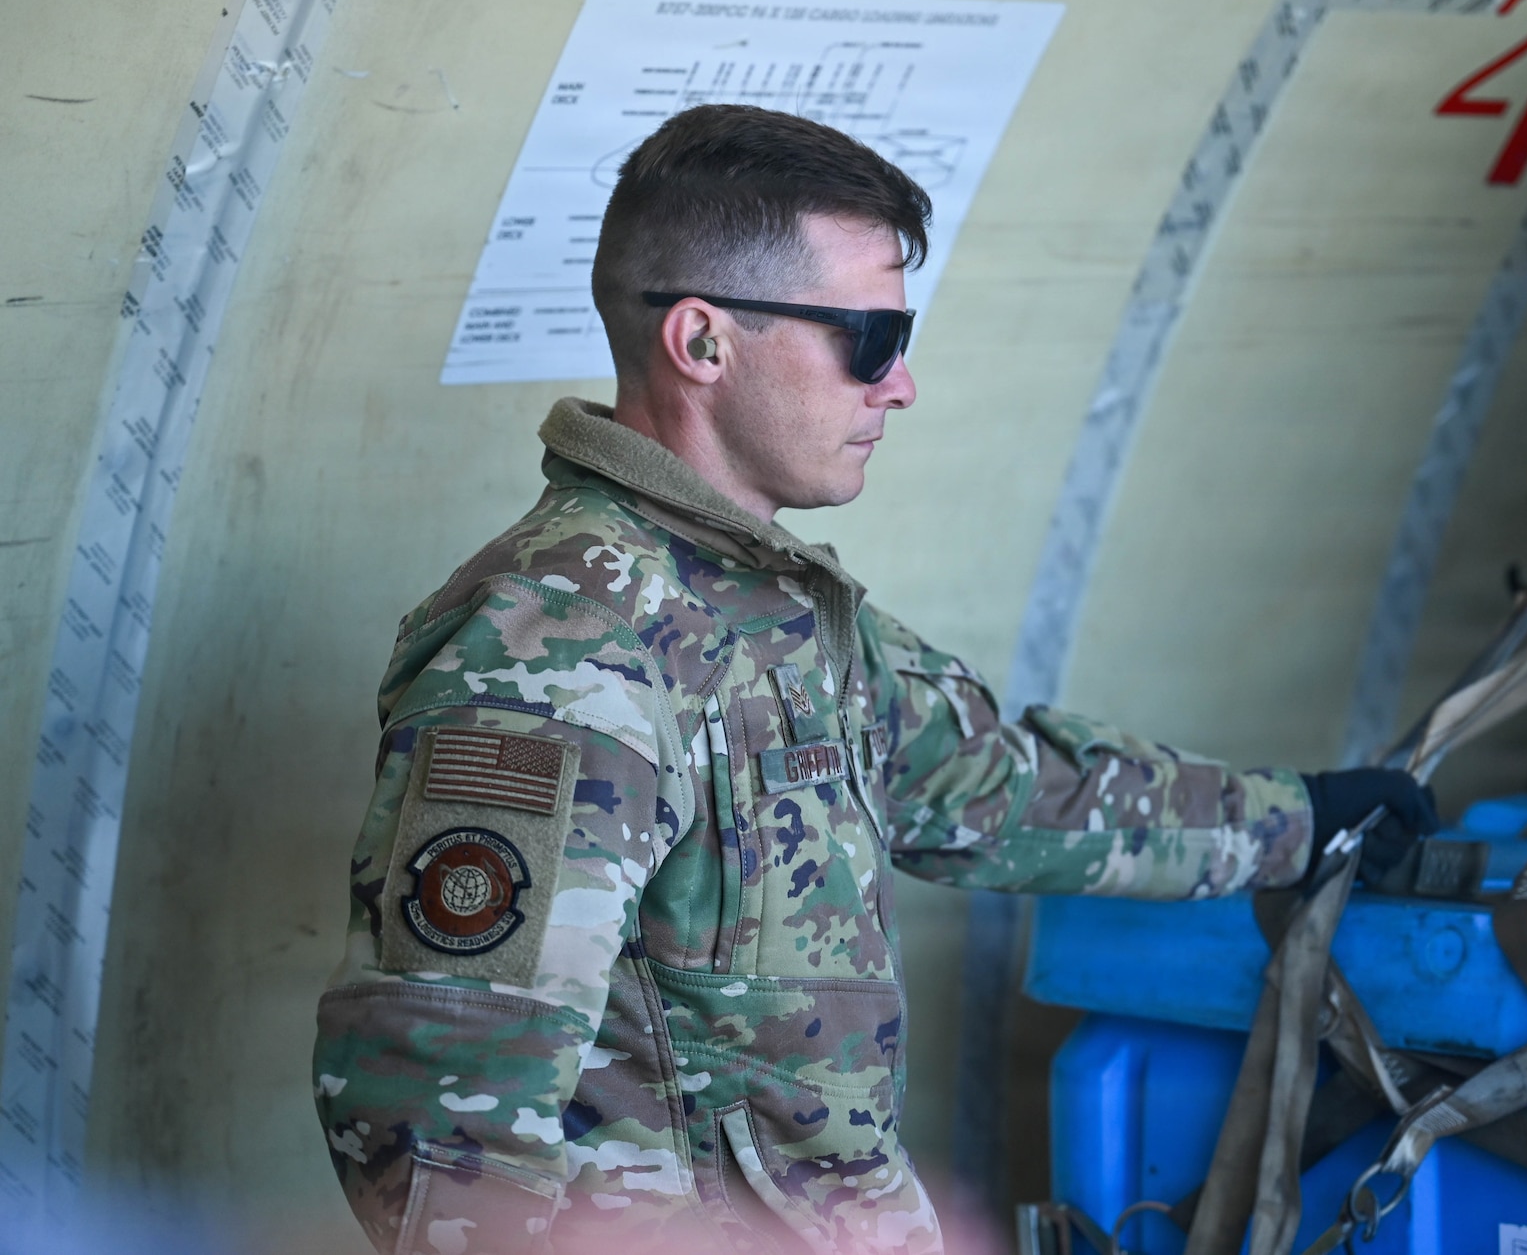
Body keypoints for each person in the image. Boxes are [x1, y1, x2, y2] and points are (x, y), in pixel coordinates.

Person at [311, 104, 1435, 1255]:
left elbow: (999, 788)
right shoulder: (555, 651)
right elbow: (444, 1129)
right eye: (871, 340)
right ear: (701, 343)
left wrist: (1298, 822)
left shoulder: (777, 608)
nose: (898, 387)